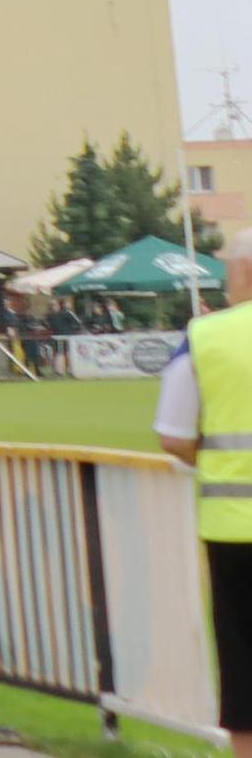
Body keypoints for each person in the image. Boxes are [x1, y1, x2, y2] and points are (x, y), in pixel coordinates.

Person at [156, 293, 252, 754]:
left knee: (243, 667)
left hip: (233, 527)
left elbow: (173, 435)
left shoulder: (204, 336)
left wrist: (213, 463)